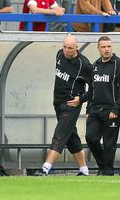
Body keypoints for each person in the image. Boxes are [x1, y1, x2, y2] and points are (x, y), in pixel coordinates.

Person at [37, 35, 92, 176]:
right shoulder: (59, 55)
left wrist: (81, 99)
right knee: (72, 137)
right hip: (58, 103)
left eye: (70, 48)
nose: (66, 51)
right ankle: (84, 170)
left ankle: (45, 168)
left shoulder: (84, 64)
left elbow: (95, 87)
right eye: (65, 47)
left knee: (59, 134)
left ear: (77, 48)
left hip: (71, 105)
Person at [85, 36, 120, 176]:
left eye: (108, 46)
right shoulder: (95, 65)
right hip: (95, 110)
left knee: (109, 143)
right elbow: (91, 89)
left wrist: (116, 109)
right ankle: (103, 165)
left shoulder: (119, 65)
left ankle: (107, 171)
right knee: (91, 138)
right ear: (98, 48)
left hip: (112, 110)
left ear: (112, 47)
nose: (106, 49)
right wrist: (88, 108)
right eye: (103, 47)